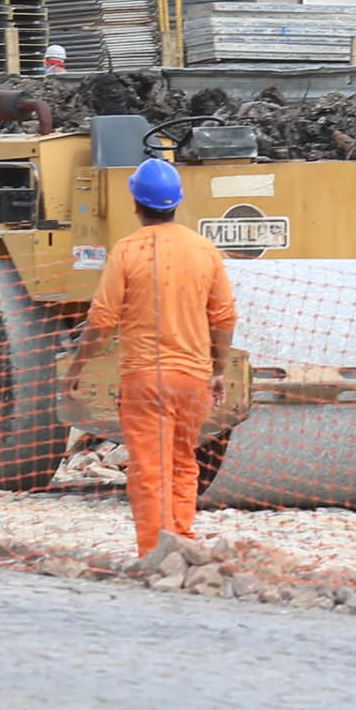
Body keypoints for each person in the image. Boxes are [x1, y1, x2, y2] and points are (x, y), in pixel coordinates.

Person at [83, 156, 237, 566]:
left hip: (145, 380)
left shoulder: (127, 250)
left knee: (149, 468)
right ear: (177, 202)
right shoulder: (205, 250)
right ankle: (182, 541)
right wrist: (218, 371)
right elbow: (224, 318)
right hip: (194, 381)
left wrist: (79, 367)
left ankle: (154, 551)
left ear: (135, 202)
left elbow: (101, 320)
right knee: (184, 462)